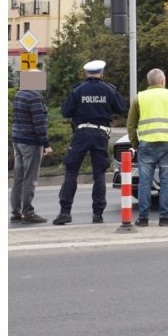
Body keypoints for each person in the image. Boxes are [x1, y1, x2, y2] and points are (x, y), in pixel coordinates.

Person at [53, 60, 127, 225]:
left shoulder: (77, 90)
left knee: (71, 171)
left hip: (81, 134)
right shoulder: (109, 89)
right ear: (101, 73)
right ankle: (97, 215)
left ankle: (65, 212)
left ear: (86, 73)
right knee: (99, 174)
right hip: (101, 134)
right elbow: (121, 108)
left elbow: (66, 112)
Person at [126, 69, 168, 227]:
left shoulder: (139, 98)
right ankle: (165, 218)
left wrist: (136, 144)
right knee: (166, 182)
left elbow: (130, 125)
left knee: (144, 183)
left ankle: (143, 219)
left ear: (149, 82)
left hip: (146, 145)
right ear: (163, 81)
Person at [10, 75, 50, 224]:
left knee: (18, 177)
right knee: (30, 178)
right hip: (31, 142)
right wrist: (46, 144)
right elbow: (39, 123)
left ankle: (15, 211)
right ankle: (28, 212)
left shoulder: (19, 94)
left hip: (18, 140)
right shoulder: (34, 97)